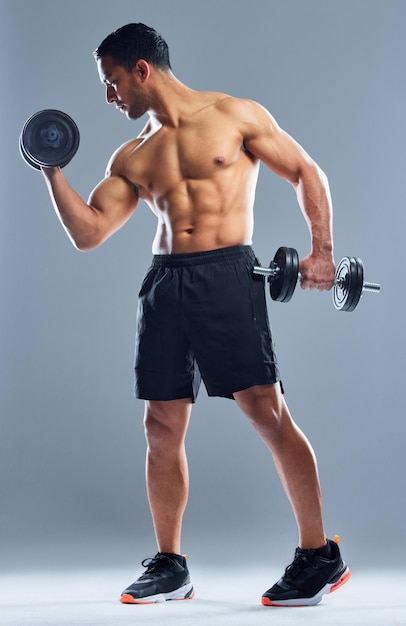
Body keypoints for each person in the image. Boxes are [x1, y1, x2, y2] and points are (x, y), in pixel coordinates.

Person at [41, 22, 350, 607]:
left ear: (140, 70)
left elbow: (307, 171)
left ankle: (319, 556)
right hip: (165, 284)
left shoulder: (233, 115)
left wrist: (323, 250)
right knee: (161, 424)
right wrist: (50, 169)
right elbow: (90, 233)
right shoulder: (131, 154)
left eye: (111, 82)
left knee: (266, 411)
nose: (109, 97)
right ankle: (170, 564)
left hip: (228, 274)